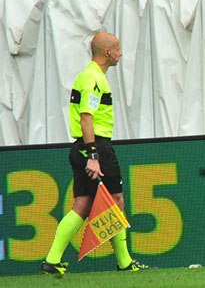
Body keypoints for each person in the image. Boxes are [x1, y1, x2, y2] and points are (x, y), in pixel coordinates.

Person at [41, 32, 154, 275]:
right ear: (108, 53)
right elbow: (86, 118)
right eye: (118, 49)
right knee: (116, 201)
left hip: (82, 148)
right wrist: (93, 155)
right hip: (96, 148)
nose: (120, 53)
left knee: (82, 205)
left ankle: (52, 260)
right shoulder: (93, 79)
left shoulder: (88, 76)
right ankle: (125, 263)